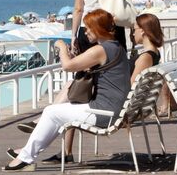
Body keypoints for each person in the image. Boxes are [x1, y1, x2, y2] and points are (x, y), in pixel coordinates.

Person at [22, 13, 165, 163]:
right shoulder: (150, 54)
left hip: (113, 110)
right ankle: (51, 147)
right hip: (124, 107)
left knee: (67, 98)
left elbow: (130, 85)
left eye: (134, 29)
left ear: (143, 30)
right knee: (73, 89)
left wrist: (62, 47)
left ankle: (36, 149)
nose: (132, 32)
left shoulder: (145, 57)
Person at [4, 9, 130, 171]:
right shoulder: (117, 48)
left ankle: (25, 157)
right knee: (55, 112)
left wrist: (61, 46)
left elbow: (68, 66)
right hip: (113, 109)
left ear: (98, 29)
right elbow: (81, 63)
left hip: (104, 113)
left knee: (51, 112)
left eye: (89, 27)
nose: (86, 31)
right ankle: (26, 154)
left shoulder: (101, 50)